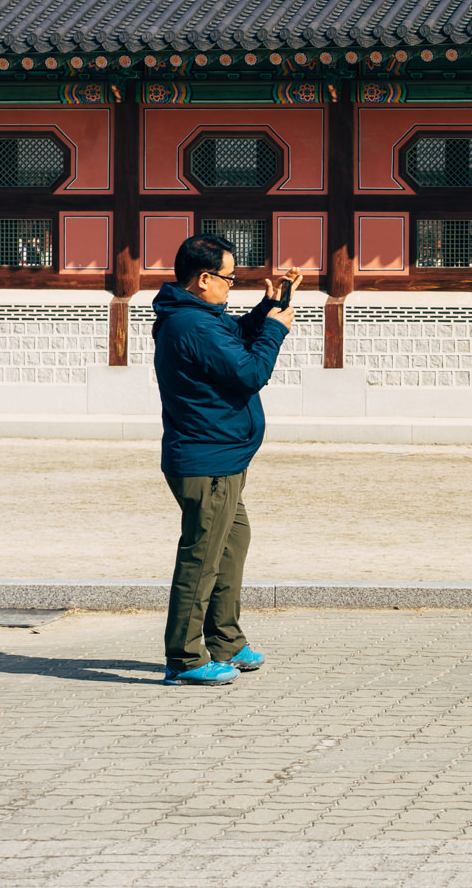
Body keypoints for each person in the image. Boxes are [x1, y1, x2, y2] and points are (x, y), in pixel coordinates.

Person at [152, 234, 299, 686]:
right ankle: (185, 658)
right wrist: (276, 329)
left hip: (220, 458)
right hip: (207, 461)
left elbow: (231, 336)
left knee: (231, 545)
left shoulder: (193, 315)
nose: (230, 287)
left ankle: (227, 641)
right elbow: (250, 372)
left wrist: (266, 307)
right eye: (228, 279)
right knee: (201, 559)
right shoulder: (192, 325)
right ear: (203, 279)